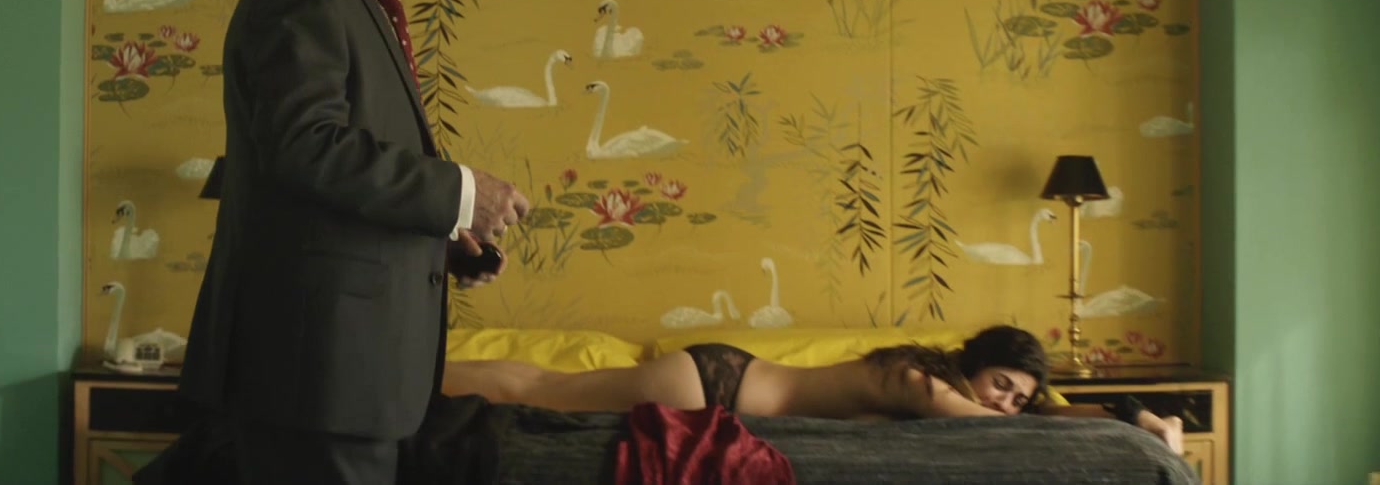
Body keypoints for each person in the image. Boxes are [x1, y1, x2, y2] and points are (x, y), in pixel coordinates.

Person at [177, 0, 532, 485]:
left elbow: (328, 191)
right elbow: (306, 146)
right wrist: (462, 191)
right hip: (316, 380)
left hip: (347, 382)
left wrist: (441, 241)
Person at [442, 325, 1186, 453]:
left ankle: (418, 379)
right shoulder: (922, 385)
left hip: (723, 382)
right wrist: (1131, 421)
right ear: (973, 365)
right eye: (1001, 385)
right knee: (543, 388)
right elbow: (1010, 431)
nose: (1005, 405)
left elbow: (1033, 419)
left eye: (1018, 398)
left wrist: (1128, 412)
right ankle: (418, 377)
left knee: (546, 387)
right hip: (715, 386)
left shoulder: (929, 379)